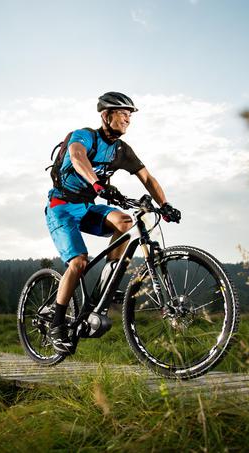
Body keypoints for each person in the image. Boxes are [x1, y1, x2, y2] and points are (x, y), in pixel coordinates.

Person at [45, 91, 181, 354]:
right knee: (79, 262)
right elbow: (77, 156)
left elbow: (148, 178)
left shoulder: (122, 150)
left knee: (125, 222)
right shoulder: (85, 135)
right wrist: (97, 183)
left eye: (130, 116)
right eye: (122, 114)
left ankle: (106, 287)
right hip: (60, 207)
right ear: (106, 115)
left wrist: (165, 205)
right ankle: (57, 323)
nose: (127, 120)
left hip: (87, 208)